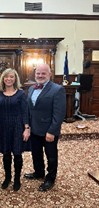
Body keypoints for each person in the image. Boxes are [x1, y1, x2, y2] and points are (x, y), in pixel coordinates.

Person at [24, 63, 66, 191]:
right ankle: (39, 172)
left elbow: (59, 113)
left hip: (49, 130)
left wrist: (52, 131)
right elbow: (30, 109)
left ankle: (51, 178)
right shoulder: (31, 89)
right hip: (34, 129)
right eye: (38, 73)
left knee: (51, 155)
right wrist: (28, 126)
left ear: (50, 74)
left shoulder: (57, 89)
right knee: (36, 153)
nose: (40, 76)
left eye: (43, 73)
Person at [0, 68, 30, 191]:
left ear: (15, 79)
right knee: (6, 154)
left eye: (11, 77)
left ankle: (17, 179)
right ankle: (8, 178)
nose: (9, 79)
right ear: (3, 78)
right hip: (2, 126)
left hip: (17, 126)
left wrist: (26, 128)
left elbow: (25, 112)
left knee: (17, 154)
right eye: (6, 76)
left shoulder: (21, 93)